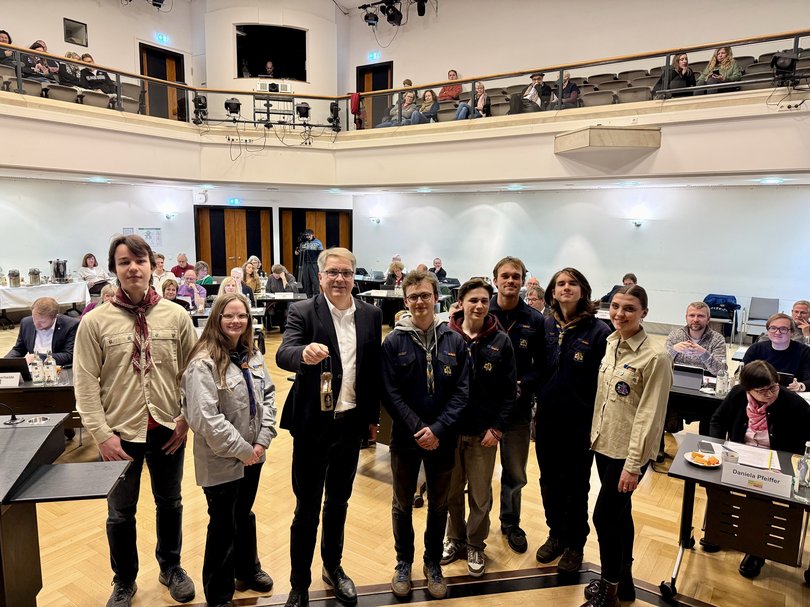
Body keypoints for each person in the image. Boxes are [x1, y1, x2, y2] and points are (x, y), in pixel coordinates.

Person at [74, 234, 197, 607]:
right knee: (120, 513)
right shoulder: (94, 322)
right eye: (124, 261)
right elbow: (84, 382)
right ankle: (124, 579)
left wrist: (185, 419)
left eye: (139, 260)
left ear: (152, 266)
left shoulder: (176, 316)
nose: (133, 268)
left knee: (171, 502)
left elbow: (196, 372)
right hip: (118, 435)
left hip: (167, 429)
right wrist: (100, 434)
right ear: (114, 269)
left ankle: (171, 566)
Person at [275, 247, 382, 607]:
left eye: (346, 273)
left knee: (339, 502)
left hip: (350, 426)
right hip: (312, 428)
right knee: (306, 509)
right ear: (320, 277)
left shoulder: (370, 314)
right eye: (332, 273)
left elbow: (370, 373)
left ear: (355, 277)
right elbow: (284, 351)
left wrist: (371, 421)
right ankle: (299, 582)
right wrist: (302, 355)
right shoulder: (303, 311)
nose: (340, 279)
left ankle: (333, 568)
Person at [181, 292, 277, 607]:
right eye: (228, 316)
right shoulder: (203, 361)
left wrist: (262, 440)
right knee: (222, 522)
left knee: (244, 514)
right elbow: (206, 419)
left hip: (254, 453)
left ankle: (247, 571)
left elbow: (269, 397)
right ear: (216, 319)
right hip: (222, 459)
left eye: (242, 316)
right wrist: (243, 450)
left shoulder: (252, 354)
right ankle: (219, 595)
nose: (236, 321)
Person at [382, 270, 469, 600]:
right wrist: (419, 429)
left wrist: (438, 429)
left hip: (443, 438)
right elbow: (390, 393)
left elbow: (462, 393)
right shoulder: (393, 342)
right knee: (402, 504)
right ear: (406, 301)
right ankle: (403, 562)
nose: (420, 301)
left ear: (437, 298)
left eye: (425, 295)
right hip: (406, 438)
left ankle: (433, 562)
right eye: (414, 296)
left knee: (439, 504)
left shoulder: (454, 341)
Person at [583, 284, 672, 607]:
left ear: (644, 313)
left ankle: (608, 592)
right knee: (621, 515)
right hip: (605, 443)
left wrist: (633, 465)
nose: (620, 314)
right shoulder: (611, 342)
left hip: (628, 454)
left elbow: (650, 416)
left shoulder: (655, 357)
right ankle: (626, 582)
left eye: (629, 309)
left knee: (604, 518)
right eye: (616, 307)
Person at [534, 268, 610, 574]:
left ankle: (576, 542)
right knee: (549, 482)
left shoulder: (599, 331)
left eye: (572, 283)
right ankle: (556, 533)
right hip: (547, 420)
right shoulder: (545, 324)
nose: (566, 288)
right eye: (561, 283)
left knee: (576, 485)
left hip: (580, 423)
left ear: (583, 291)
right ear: (553, 291)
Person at [710, 360, 810, 579]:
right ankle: (721, 530)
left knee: (760, 497)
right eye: (762, 390)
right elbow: (718, 420)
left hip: (779, 463)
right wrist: (719, 448)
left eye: (773, 387)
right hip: (741, 455)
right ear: (748, 389)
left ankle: (756, 549)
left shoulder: (794, 403)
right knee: (714, 484)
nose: (769, 393)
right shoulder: (738, 395)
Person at [442, 278, 515, 578]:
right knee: (451, 492)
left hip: (483, 434)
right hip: (450, 431)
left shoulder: (501, 341)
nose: (480, 305)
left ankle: (475, 543)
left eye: (485, 300)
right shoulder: (446, 335)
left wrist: (497, 428)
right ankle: (454, 538)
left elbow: (510, 392)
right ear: (461, 303)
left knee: (481, 495)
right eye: (473, 300)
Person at [488, 256, 544, 553]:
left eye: (516, 276)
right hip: (483, 411)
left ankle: (510, 522)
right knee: (479, 474)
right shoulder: (482, 310)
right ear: (495, 279)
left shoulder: (535, 320)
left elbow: (543, 365)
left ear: (524, 281)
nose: (511, 281)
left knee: (515, 473)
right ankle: (476, 525)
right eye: (505, 276)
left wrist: (525, 383)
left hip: (519, 411)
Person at [742, 313, 810, 391]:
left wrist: (800, 386)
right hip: (761, 392)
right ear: (768, 331)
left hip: (792, 394)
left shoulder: (805, 352)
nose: (777, 332)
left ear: (792, 333)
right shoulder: (756, 348)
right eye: (773, 328)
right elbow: (741, 373)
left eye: (783, 329)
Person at [5, 296, 79, 366]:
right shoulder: (26, 323)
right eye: (34, 319)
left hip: (57, 368)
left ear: (54, 317)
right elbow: (19, 349)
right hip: (33, 368)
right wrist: (6, 361)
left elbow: (69, 356)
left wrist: (37, 357)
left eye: (42, 322)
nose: (36, 325)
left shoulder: (70, 325)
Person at [666, 302, 727, 375]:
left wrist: (704, 353)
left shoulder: (717, 340)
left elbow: (721, 371)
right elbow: (661, 364)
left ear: (708, 319)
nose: (695, 319)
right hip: (676, 380)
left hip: (705, 383)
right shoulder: (675, 335)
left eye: (700, 316)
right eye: (691, 315)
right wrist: (673, 350)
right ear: (686, 318)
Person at [265, 264, 298, 332]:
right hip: (275, 300)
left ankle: (287, 327)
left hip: (287, 300)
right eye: (274, 273)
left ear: (282, 272)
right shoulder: (271, 277)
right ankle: (268, 326)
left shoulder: (290, 277)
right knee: (269, 308)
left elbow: (290, 291)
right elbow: (268, 290)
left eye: (278, 273)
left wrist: (283, 279)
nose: (276, 275)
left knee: (290, 305)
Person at [296, 229, 323, 298]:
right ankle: (308, 296)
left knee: (315, 280)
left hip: (314, 263)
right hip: (305, 264)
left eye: (308, 235)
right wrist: (298, 249)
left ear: (312, 235)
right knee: (306, 280)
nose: (307, 237)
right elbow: (297, 253)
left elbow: (321, 253)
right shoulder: (303, 243)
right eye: (306, 235)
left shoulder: (318, 242)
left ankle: (317, 296)